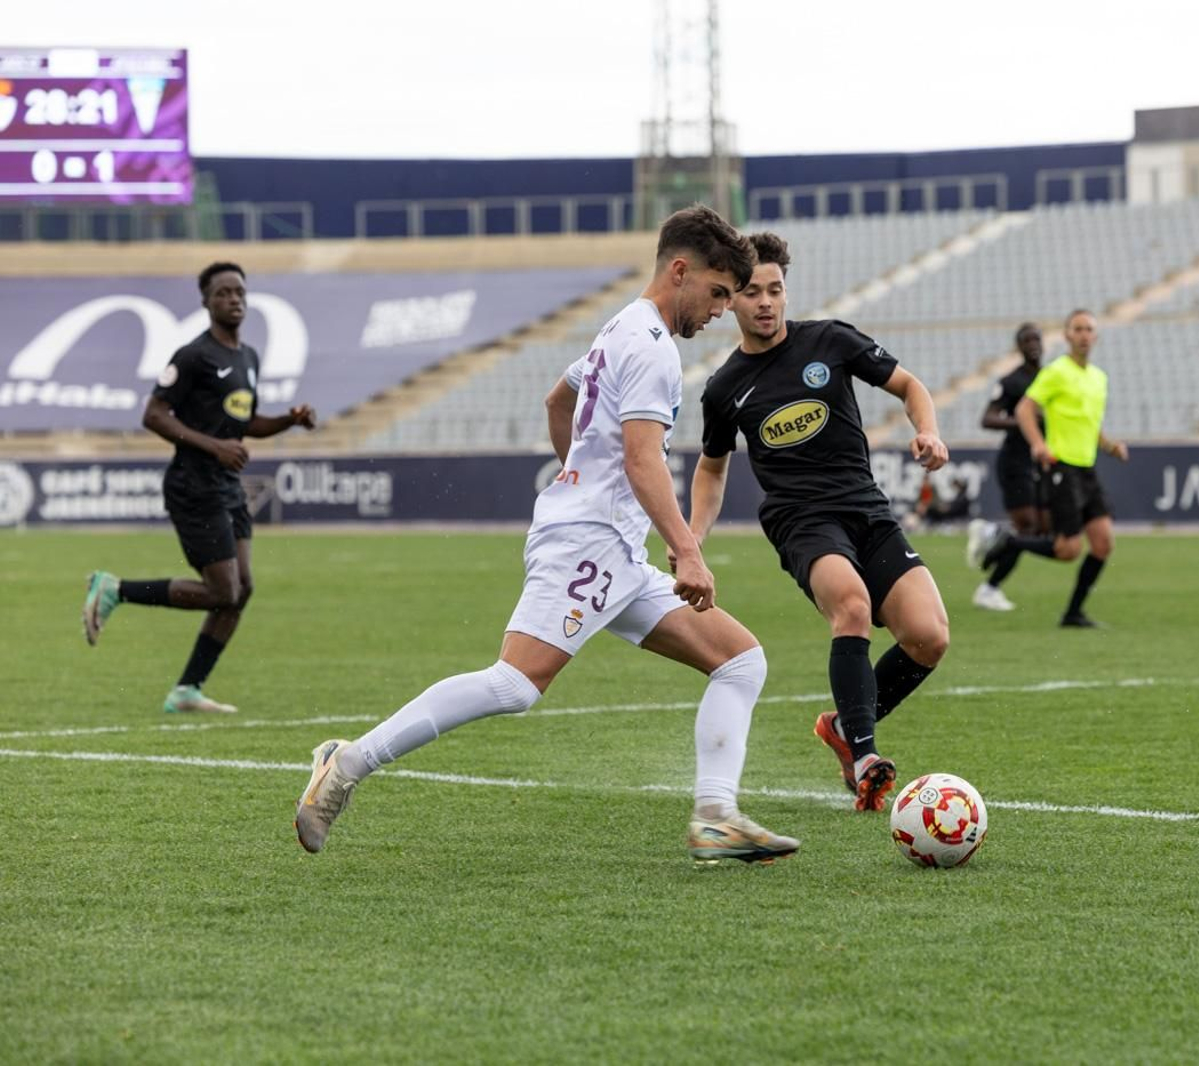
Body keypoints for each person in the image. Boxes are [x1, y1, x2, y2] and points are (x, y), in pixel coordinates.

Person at [293, 206, 800, 866]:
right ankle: (347, 762)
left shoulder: (619, 328)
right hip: (589, 544)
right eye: (718, 292)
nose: (720, 311)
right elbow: (642, 460)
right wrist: (685, 550)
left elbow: (557, 401)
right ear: (681, 271)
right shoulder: (652, 348)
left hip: (612, 548)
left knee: (740, 661)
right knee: (515, 685)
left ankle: (715, 817)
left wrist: (577, 477)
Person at [687, 231, 952, 813]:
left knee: (929, 637)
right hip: (801, 521)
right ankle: (865, 757)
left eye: (775, 289)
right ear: (731, 299)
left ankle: (842, 725)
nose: (765, 302)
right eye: (752, 292)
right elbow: (711, 467)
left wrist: (927, 430)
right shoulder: (725, 388)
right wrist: (693, 539)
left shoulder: (830, 340)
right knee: (851, 606)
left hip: (866, 509)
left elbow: (909, 385)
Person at [80, 262, 316, 714]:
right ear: (206, 302)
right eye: (224, 292)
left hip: (226, 485)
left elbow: (246, 422)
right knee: (223, 591)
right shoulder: (193, 356)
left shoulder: (248, 357)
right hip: (193, 485)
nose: (234, 299)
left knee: (242, 589)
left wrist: (289, 420)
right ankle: (114, 589)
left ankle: (187, 690)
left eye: (240, 292)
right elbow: (153, 414)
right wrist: (215, 447)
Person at [968, 310, 1128, 628]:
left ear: (1096, 336)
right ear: (1067, 335)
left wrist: (1110, 446)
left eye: (1089, 329)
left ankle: (1073, 613)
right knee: (1068, 549)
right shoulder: (1056, 372)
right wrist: (1039, 444)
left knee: (1103, 543)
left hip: (1087, 469)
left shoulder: (1099, 378)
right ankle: (1009, 541)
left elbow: (1090, 423)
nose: (1084, 334)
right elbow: (1025, 410)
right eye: (1078, 329)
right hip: (1061, 467)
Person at [966, 324, 1050, 608]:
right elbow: (987, 418)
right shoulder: (1012, 381)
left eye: (1036, 338)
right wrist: (1023, 421)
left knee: (1039, 529)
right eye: (1026, 340)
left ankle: (992, 537)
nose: (1033, 344)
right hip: (1015, 461)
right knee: (1028, 527)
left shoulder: (1049, 378)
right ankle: (989, 587)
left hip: (1039, 461)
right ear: (1019, 346)